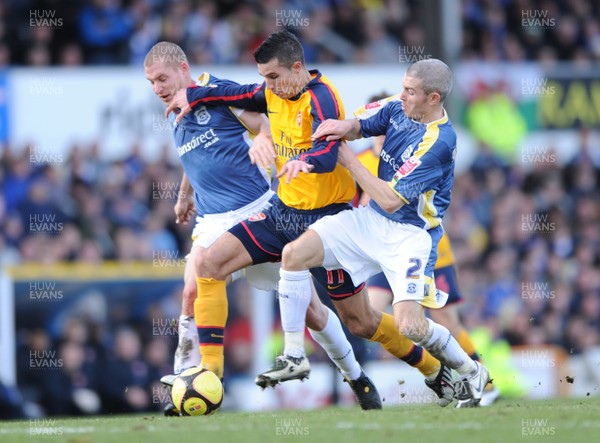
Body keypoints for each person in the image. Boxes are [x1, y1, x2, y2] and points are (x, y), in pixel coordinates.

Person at [165, 30, 455, 407]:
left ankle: (432, 369)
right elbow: (232, 93)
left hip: (328, 222)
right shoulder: (270, 92)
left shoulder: (321, 97)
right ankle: (211, 375)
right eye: (264, 77)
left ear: (297, 68)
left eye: (273, 77)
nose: (267, 85)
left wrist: (305, 161)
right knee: (208, 264)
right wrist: (194, 94)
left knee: (361, 321)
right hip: (282, 213)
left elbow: (329, 150)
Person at [144, 41, 383, 412]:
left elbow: (268, 121)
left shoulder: (218, 92)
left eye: (162, 78)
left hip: (257, 212)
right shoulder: (174, 113)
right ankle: (191, 378)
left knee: (314, 313)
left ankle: (355, 375)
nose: (157, 88)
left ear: (182, 67)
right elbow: (196, 161)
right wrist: (183, 195)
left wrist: (262, 141)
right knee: (192, 286)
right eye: (151, 83)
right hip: (212, 221)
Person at [276, 58, 491, 408]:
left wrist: (347, 160)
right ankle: (293, 354)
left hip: (409, 236)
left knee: (410, 326)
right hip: (369, 220)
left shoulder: (439, 142)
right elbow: (357, 126)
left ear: (433, 98)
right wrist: (328, 125)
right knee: (293, 255)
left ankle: (470, 369)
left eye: (410, 91)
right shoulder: (397, 106)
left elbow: (391, 199)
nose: (402, 95)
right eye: (403, 86)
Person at [356, 92, 501, 406]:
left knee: (448, 319)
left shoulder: (417, 149)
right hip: (389, 250)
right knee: (372, 312)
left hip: (429, 247)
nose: (383, 135)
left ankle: (482, 381)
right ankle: (434, 370)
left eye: (388, 129)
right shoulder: (364, 159)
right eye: (378, 130)